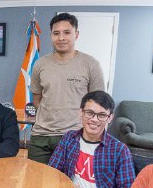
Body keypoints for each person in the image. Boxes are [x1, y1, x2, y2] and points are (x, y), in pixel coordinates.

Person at [29, 13, 105, 165]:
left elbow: (98, 104)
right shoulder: (39, 64)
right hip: (41, 136)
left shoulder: (91, 64)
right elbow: (37, 100)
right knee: (36, 178)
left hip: (75, 136)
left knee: (69, 180)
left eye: (67, 32)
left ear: (76, 35)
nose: (61, 38)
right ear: (51, 35)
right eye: (56, 33)